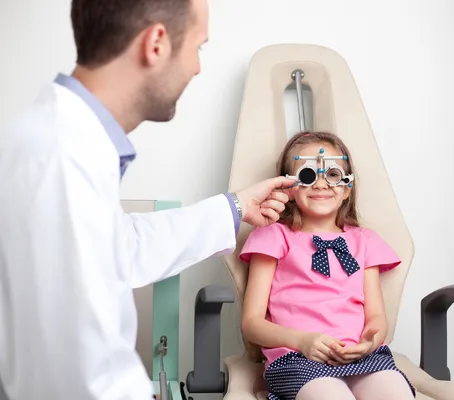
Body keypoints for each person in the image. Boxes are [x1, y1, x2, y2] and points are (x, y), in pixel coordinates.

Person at [0, 0, 296, 399]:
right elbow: (85, 378)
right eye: (198, 47)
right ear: (156, 43)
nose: (197, 66)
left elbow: (122, 245)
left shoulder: (61, 140)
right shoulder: (63, 159)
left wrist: (236, 207)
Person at [239, 131, 416, 400]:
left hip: (360, 358)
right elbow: (251, 323)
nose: (321, 184)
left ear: (347, 188)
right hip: (295, 359)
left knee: (396, 393)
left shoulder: (365, 242)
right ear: (289, 187)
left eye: (332, 175)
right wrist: (301, 341)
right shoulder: (273, 237)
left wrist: (370, 340)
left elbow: (377, 318)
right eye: (308, 175)